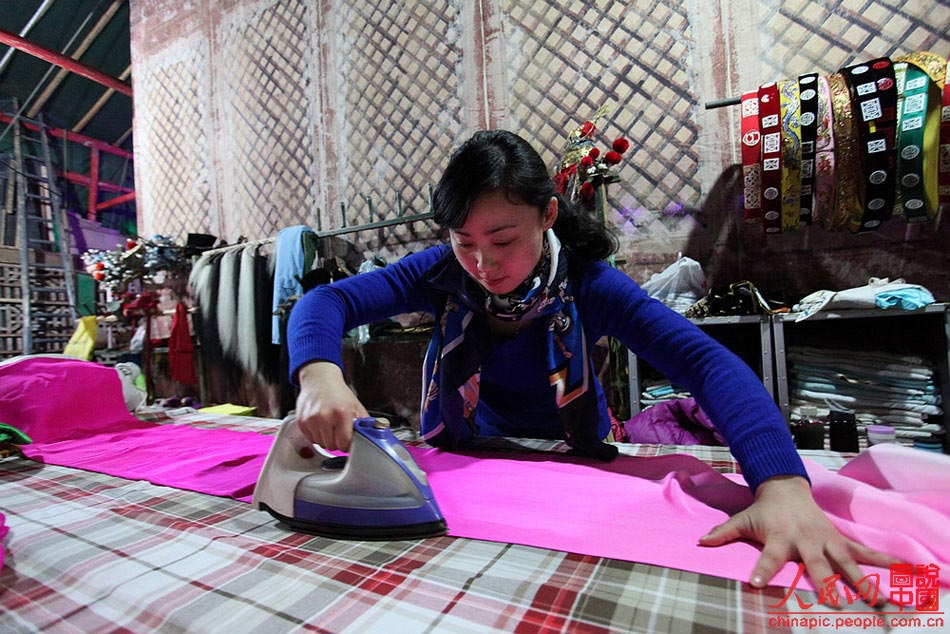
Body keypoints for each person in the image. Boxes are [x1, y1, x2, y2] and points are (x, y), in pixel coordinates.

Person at [287, 129, 897, 594]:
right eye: (464, 242)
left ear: (548, 215)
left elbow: (708, 365)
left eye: (503, 241)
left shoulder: (592, 287)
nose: (483, 264)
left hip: (579, 459)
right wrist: (319, 372)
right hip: (482, 454)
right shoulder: (442, 273)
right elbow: (327, 300)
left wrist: (781, 484)